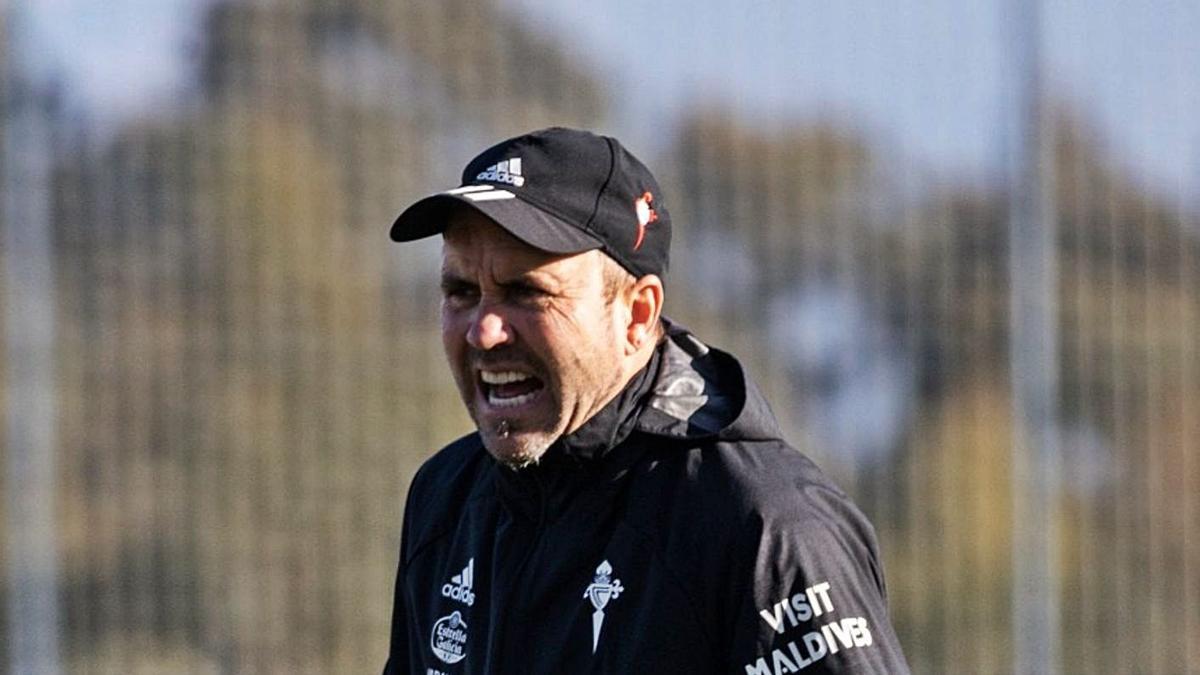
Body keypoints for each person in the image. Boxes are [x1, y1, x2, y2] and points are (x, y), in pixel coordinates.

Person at [383, 127, 910, 674]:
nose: (484, 332)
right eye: (461, 293)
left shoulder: (765, 527)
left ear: (637, 315)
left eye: (527, 292)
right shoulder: (446, 499)